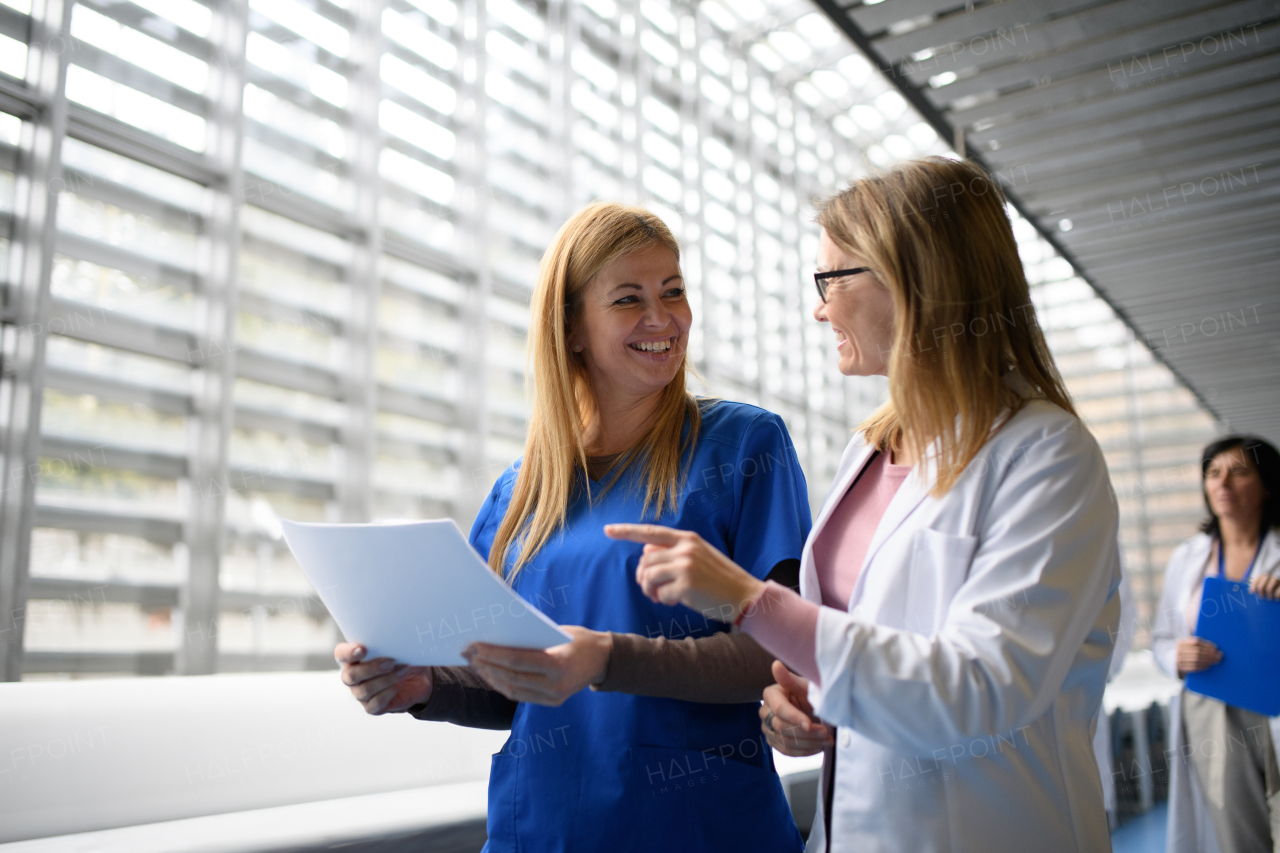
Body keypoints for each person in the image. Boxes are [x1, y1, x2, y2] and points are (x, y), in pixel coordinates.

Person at [608, 156, 1123, 852]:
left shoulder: (1048, 456)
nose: (819, 307)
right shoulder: (870, 451)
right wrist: (802, 707)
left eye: (831, 279)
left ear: (913, 279)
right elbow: (856, 652)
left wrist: (751, 600)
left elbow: (981, 689)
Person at [333, 202, 812, 852]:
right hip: (540, 828)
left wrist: (607, 658)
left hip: (696, 826)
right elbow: (511, 681)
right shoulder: (522, 488)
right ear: (574, 328)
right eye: (628, 299)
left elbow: (781, 653)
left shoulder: (743, 445)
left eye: (673, 291)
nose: (662, 318)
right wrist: (425, 686)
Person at [1152, 436, 1280, 853]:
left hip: (1273, 701)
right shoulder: (1188, 557)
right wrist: (1176, 655)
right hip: (1213, 708)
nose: (1223, 483)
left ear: (1268, 484)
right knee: (1235, 829)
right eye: (1213, 472)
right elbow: (1162, 638)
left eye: (1240, 471)